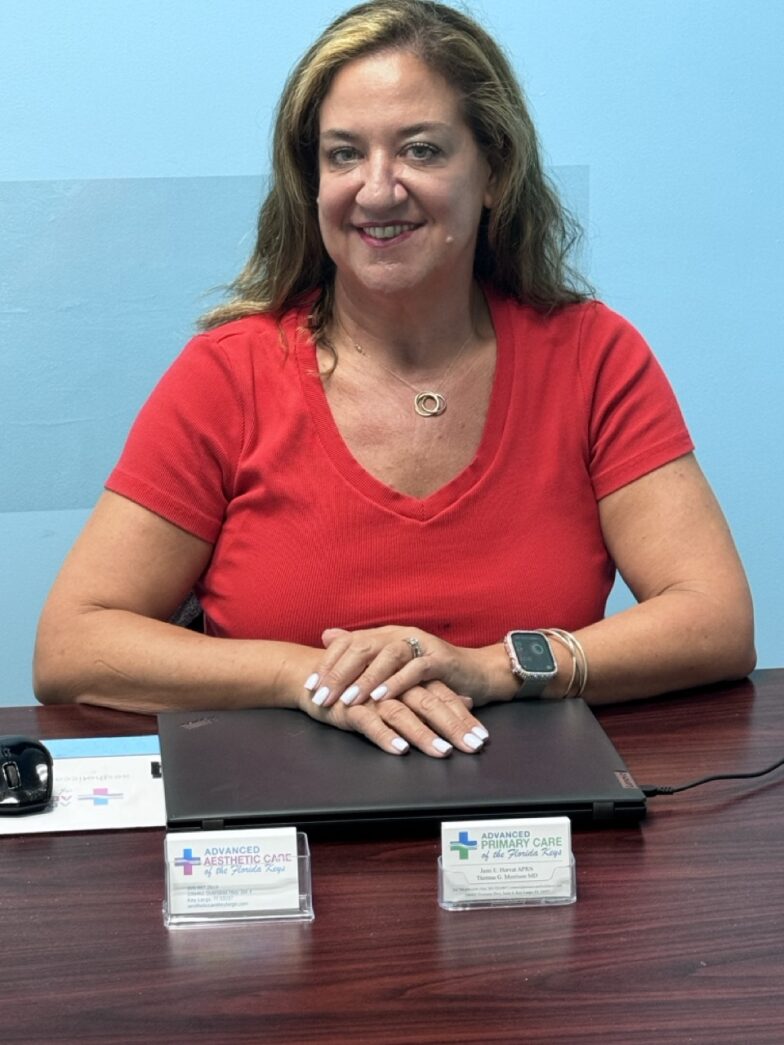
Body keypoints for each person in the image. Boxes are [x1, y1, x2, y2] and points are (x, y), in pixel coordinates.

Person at [33, 0, 755, 757]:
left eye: (420, 150)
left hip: (535, 828)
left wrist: (496, 668)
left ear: (494, 173)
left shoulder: (593, 355)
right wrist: (312, 678)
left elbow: (714, 618)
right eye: (343, 155)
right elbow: (72, 645)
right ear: (310, 182)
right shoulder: (228, 374)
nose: (377, 190)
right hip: (282, 841)